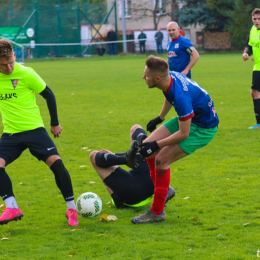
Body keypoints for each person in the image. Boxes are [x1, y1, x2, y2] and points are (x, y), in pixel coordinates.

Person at [130, 55, 219, 224]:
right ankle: (164, 191)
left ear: (157, 78)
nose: (143, 78)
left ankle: (157, 212)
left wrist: (156, 144)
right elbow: (168, 95)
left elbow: (183, 134)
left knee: (161, 159)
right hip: (190, 119)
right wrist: (160, 117)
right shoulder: (170, 77)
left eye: (146, 75)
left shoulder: (181, 98)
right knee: (147, 150)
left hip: (203, 128)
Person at [0, 39, 79, 227]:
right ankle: (11, 207)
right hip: (11, 134)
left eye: (11, 62)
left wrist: (55, 123)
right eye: (3, 65)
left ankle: (72, 208)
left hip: (35, 130)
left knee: (57, 165)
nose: (9, 67)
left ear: (15, 56)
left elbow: (49, 94)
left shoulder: (27, 74)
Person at [89, 124, 175, 208]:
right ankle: (132, 153)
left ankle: (125, 159)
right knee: (136, 128)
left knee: (93, 156)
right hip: (153, 181)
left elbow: (183, 134)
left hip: (133, 194)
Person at [242, 8, 260, 129]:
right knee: (255, 93)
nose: (257, 21)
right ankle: (259, 123)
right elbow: (249, 45)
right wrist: (246, 54)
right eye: (255, 19)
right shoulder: (253, 30)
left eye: (259, 19)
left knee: (255, 92)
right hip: (257, 67)